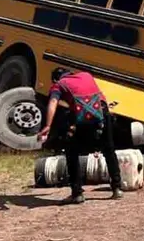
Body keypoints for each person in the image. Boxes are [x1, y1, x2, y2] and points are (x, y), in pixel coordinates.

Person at [37, 67, 123, 203]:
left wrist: (48, 126)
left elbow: (53, 102)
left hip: (82, 118)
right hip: (102, 114)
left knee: (72, 152)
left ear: (55, 79)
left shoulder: (59, 84)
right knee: (109, 150)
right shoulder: (86, 75)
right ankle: (117, 188)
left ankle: (77, 193)